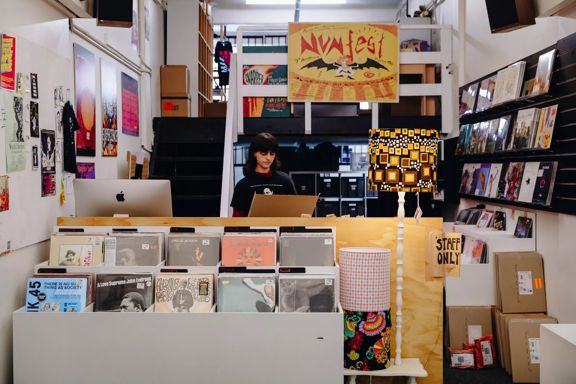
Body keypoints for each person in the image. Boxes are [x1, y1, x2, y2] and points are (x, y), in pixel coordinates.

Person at [231, 132, 297, 217]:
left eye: (272, 154)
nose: (268, 158)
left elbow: (295, 211)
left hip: (281, 229)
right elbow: (236, 219)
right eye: (264, 154)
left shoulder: (285, 181)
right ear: (254, 153)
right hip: (251, 229)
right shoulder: (242, 185)